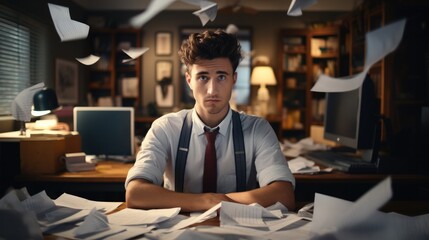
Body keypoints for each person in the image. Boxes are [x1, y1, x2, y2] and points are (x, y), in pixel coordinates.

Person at [125, 29, 295, 212]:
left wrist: (213, 201)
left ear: (234, 80)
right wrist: (209, 201)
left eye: (221, 77)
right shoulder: (165, 128)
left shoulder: (257, 129)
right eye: (203, 77)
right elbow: (136, 193)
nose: (212, 90)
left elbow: (283, 195)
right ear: (189, 80)